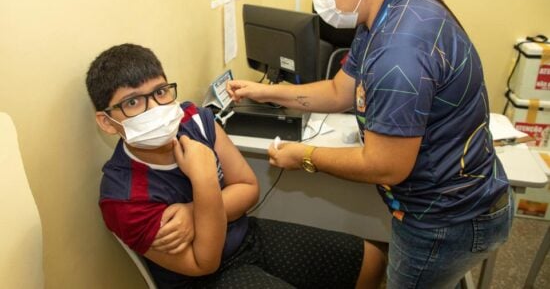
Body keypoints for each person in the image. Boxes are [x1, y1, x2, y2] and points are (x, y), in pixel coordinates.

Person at [227, 0, 512, 289]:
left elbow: (386, 165)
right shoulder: (386, 12)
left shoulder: (399, 51)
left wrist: (304, 157)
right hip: (452, 206)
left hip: (447, 221)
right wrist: (268, 92)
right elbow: (339, 90)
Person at [85, 43, 386, 289]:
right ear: (107, 122)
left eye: (161, 92)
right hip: (201, 279)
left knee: (371, 260)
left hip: (244, 235)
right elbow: (204, 262)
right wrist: (203, 179)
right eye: (133, 103)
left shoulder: (194, 120)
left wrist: (193, 213)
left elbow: (248, 187)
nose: (156, 109)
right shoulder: (123, 197)